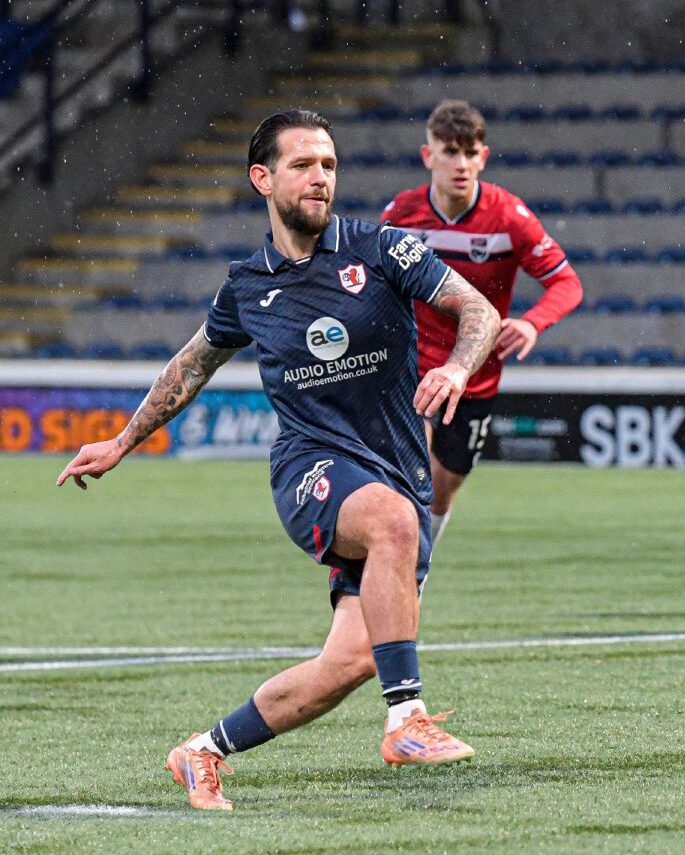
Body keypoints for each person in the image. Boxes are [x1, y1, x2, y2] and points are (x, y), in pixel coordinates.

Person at [56, 109, 502, 811]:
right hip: (311, 472)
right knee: (389, 521)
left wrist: (457, 368)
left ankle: (201, 751)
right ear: (263, 179)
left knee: (352, 659)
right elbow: (190, 366)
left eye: (328, 164)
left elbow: (479, 312)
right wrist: (120, 442)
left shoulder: (384, 250)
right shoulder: (247, 287)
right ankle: (406, 719)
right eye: (303, 165)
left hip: (396, 476)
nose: (320, 178)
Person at [380, 99, 582, 547]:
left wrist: (532, 323)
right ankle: (403, 574)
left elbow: (567, 284)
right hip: (413, 370)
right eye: (449, 152)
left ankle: (418, 561)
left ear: (483, 158)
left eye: (470, 153)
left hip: (476, 376)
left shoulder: (509, 218)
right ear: (427, 156)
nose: (461, 164)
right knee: (407, 477)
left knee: (442, 488)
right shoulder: (400, 217)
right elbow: (376, 286)